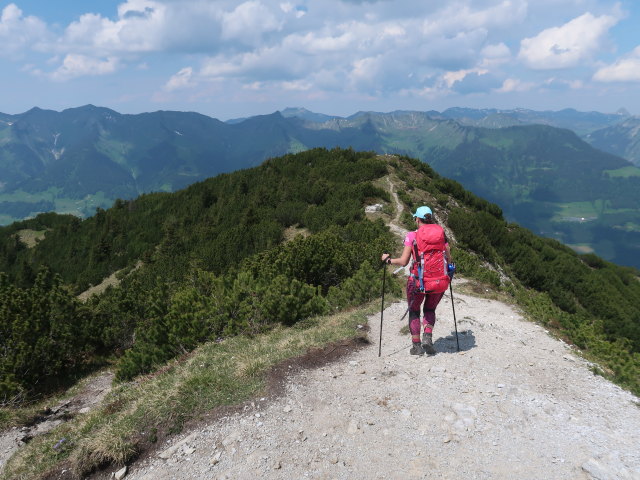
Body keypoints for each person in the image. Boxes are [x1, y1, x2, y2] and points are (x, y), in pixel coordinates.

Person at [381, 206, 451, 356]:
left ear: (417, 219)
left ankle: (417, 346)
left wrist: (388, 260)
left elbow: (404, 261)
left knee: (414, 311)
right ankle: (428, 336)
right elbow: (449, 259)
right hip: (438, 281)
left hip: (417, 282)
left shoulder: (412, 235)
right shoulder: (441, 235)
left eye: (415, 218)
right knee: (430, 309)